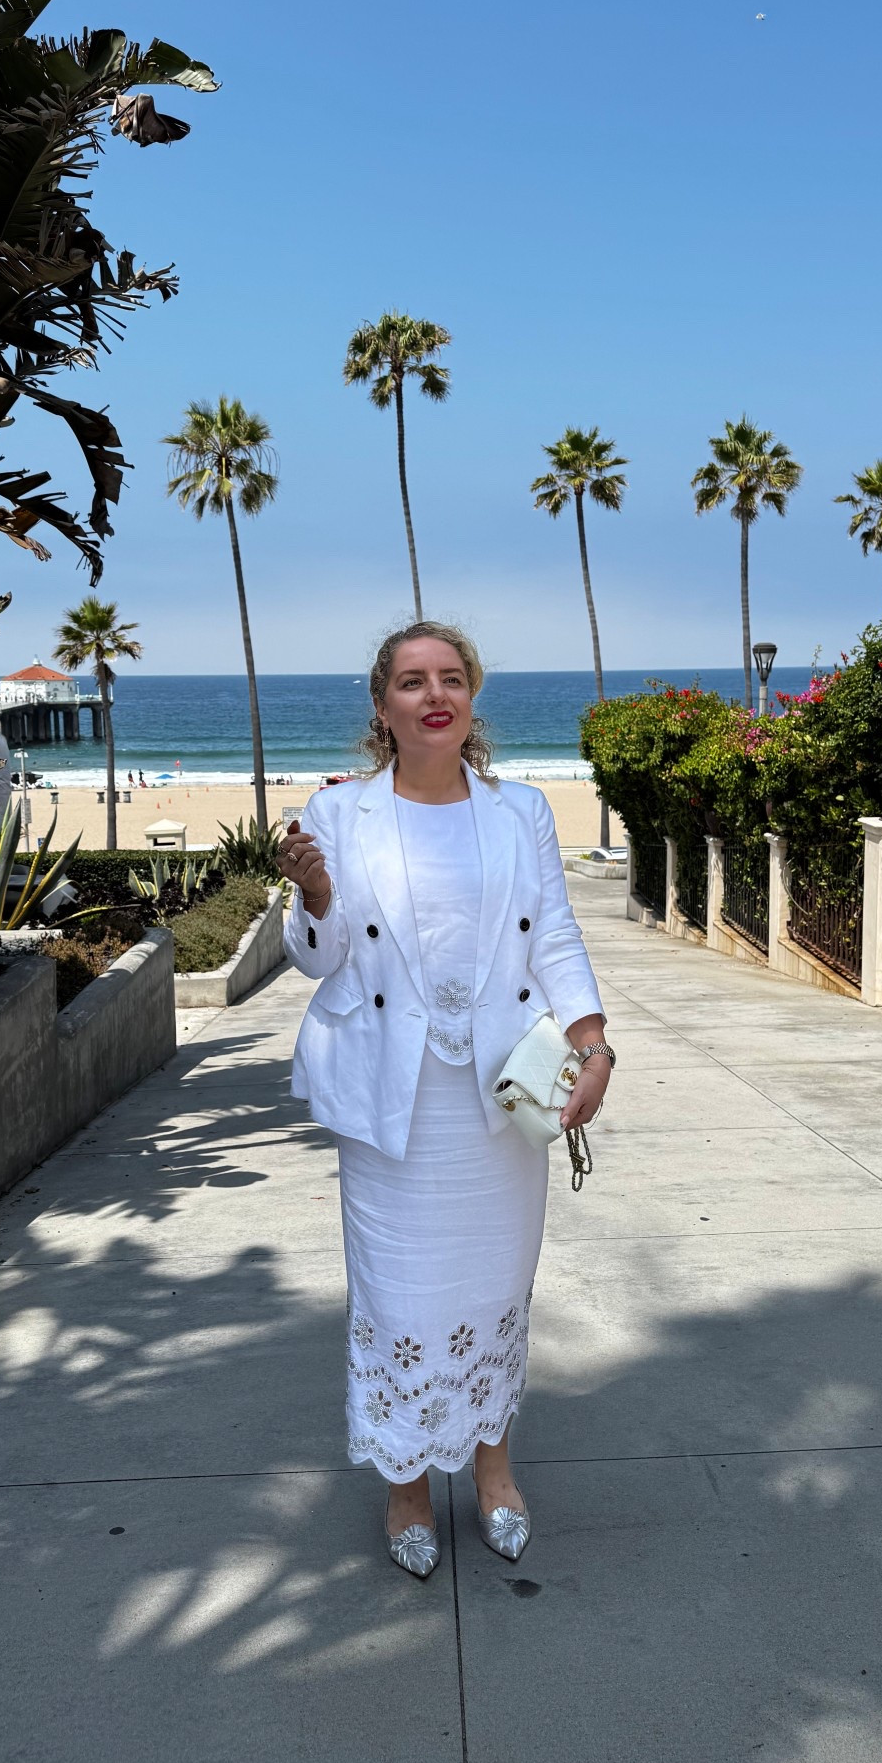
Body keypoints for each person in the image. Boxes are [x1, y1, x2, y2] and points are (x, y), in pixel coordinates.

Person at [279, 622, 613, 1578]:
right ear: (381, 706)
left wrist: (593, 1042)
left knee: (496, 1288)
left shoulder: (521, 812)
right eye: (413, 681)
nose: (436, 694)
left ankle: (495, 1470)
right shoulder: (340, 815)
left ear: (472, 698)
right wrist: (311, 899)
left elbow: (553, 934)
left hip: (498, 1102)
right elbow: (321, 960)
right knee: (398, 1295)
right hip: (393, 1107)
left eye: (453, 678)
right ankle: (407, 1485)